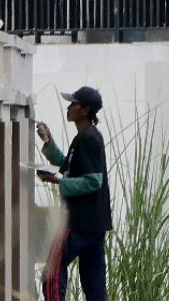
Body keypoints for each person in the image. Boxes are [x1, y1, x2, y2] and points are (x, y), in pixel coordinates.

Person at [37, 85, 111, 301]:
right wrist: (48, 143)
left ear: (85, 110)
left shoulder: (88, 139)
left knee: (52, 269)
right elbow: (68, 165)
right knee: (94, 284)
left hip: (78, 222)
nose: (68, 107)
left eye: (73, 104)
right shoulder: (86, 137)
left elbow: (93, 181)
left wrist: (59, 181)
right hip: (95, 224)